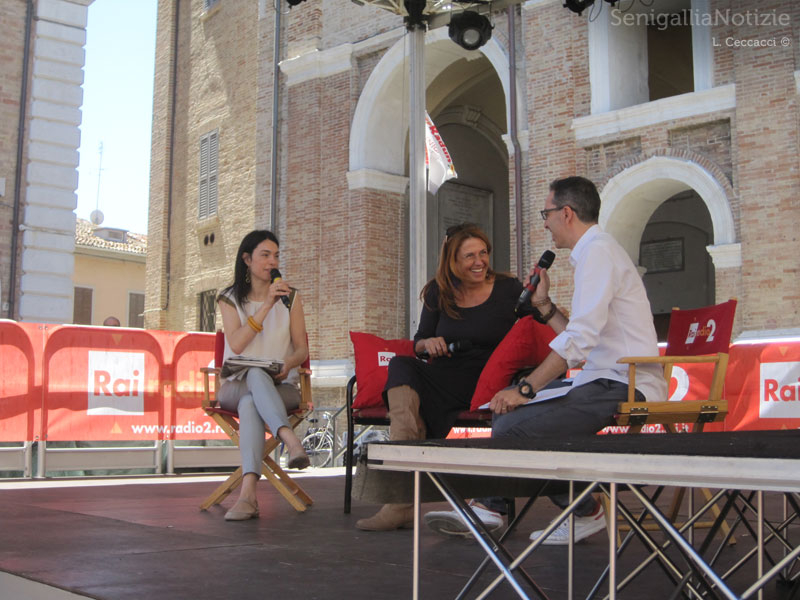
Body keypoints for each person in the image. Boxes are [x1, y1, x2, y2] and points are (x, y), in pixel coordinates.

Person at [425, 176, 667, 543]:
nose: (544, 222)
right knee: (513, 419)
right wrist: (544, 306)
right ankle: (503, 508)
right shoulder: (593, 252)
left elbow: (580, 340)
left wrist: (526, 387)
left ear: (566, 213)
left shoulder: (598, 252)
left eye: (547, 213)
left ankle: (570, 509)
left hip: (626, 381)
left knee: (515, 425)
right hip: (604, 377)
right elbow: (585, 333)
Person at [355, 223, 524, 532]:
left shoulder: (509, 289)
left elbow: (531, 333)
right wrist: (427, 344)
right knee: (402, 366)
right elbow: (419, 341)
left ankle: (401, 501)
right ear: (453, 261)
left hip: (493, 379)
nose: (478, 261)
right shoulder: (439, 291)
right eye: (469, 255)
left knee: (414, 407)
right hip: (447, 376)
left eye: (483, 253)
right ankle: (404, 466)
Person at [216, 230, 311, 521]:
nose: (273, 261)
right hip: (234, 384)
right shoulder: (229, 298)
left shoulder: (291, 297)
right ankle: (290, 439)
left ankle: (247, 496)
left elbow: (301, 349)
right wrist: (268, 304)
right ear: (247, 259)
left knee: (252, 399)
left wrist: (287, 363)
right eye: (265, 255)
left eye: (277, 255)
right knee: (253, 379)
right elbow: (237, 344)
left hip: (279, 385)